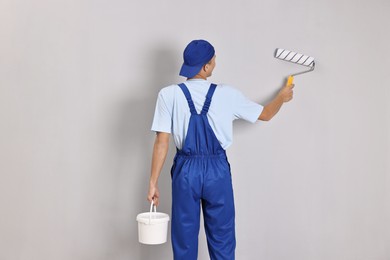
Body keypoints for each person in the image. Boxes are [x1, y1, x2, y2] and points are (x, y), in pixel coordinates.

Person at [147, 39, 293, 260]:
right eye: (214, 59)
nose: (215, 62)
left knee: (184, 239)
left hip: (186, 171)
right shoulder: (228, 94)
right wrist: (281, 97)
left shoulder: (168, 95)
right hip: (217, 172)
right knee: (222, 238)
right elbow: (266, 114)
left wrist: (153, 182)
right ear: (206, 67)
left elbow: (162, 142)